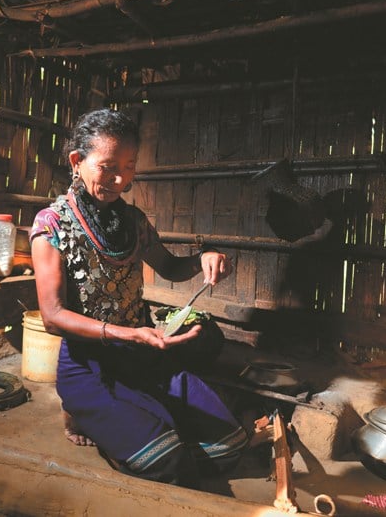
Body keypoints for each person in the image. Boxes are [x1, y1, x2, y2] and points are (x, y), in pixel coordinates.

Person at [29, 108, 247, 488]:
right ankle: (84, 412)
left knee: (229, 448)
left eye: (129, 167)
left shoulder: (132, 222)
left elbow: (171, 268)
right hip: (89, 366)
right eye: (108, 166)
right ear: (77, 162)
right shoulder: (51, 225)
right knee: (168, 464)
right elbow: (52, 316)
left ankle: (118, 425)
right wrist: (128, 333)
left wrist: (203, 259)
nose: (119, 179)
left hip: (143, 356)